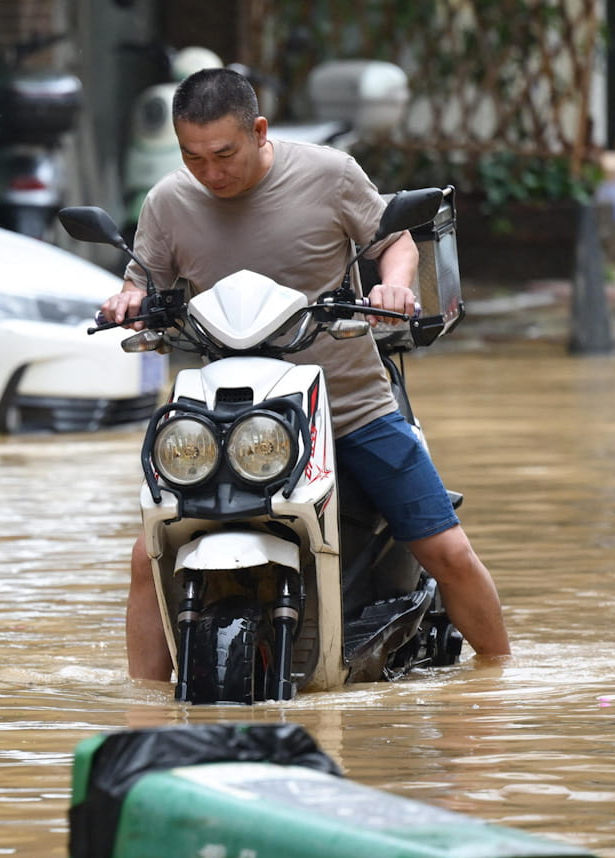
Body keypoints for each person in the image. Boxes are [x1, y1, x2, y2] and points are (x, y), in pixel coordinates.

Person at [101, 67, 512, 680]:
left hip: (351, 407)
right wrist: (126, 300)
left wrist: (394, 287)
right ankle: (146, 712)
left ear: (258, 130)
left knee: (446, 551)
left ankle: (498, 682)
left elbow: (393, 242)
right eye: (193, 157)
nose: (210, 173)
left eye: (223, 154)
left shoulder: (329, 175)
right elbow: (143, 282)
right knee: (146, 559)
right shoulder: (168, 201)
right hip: (229, 420)